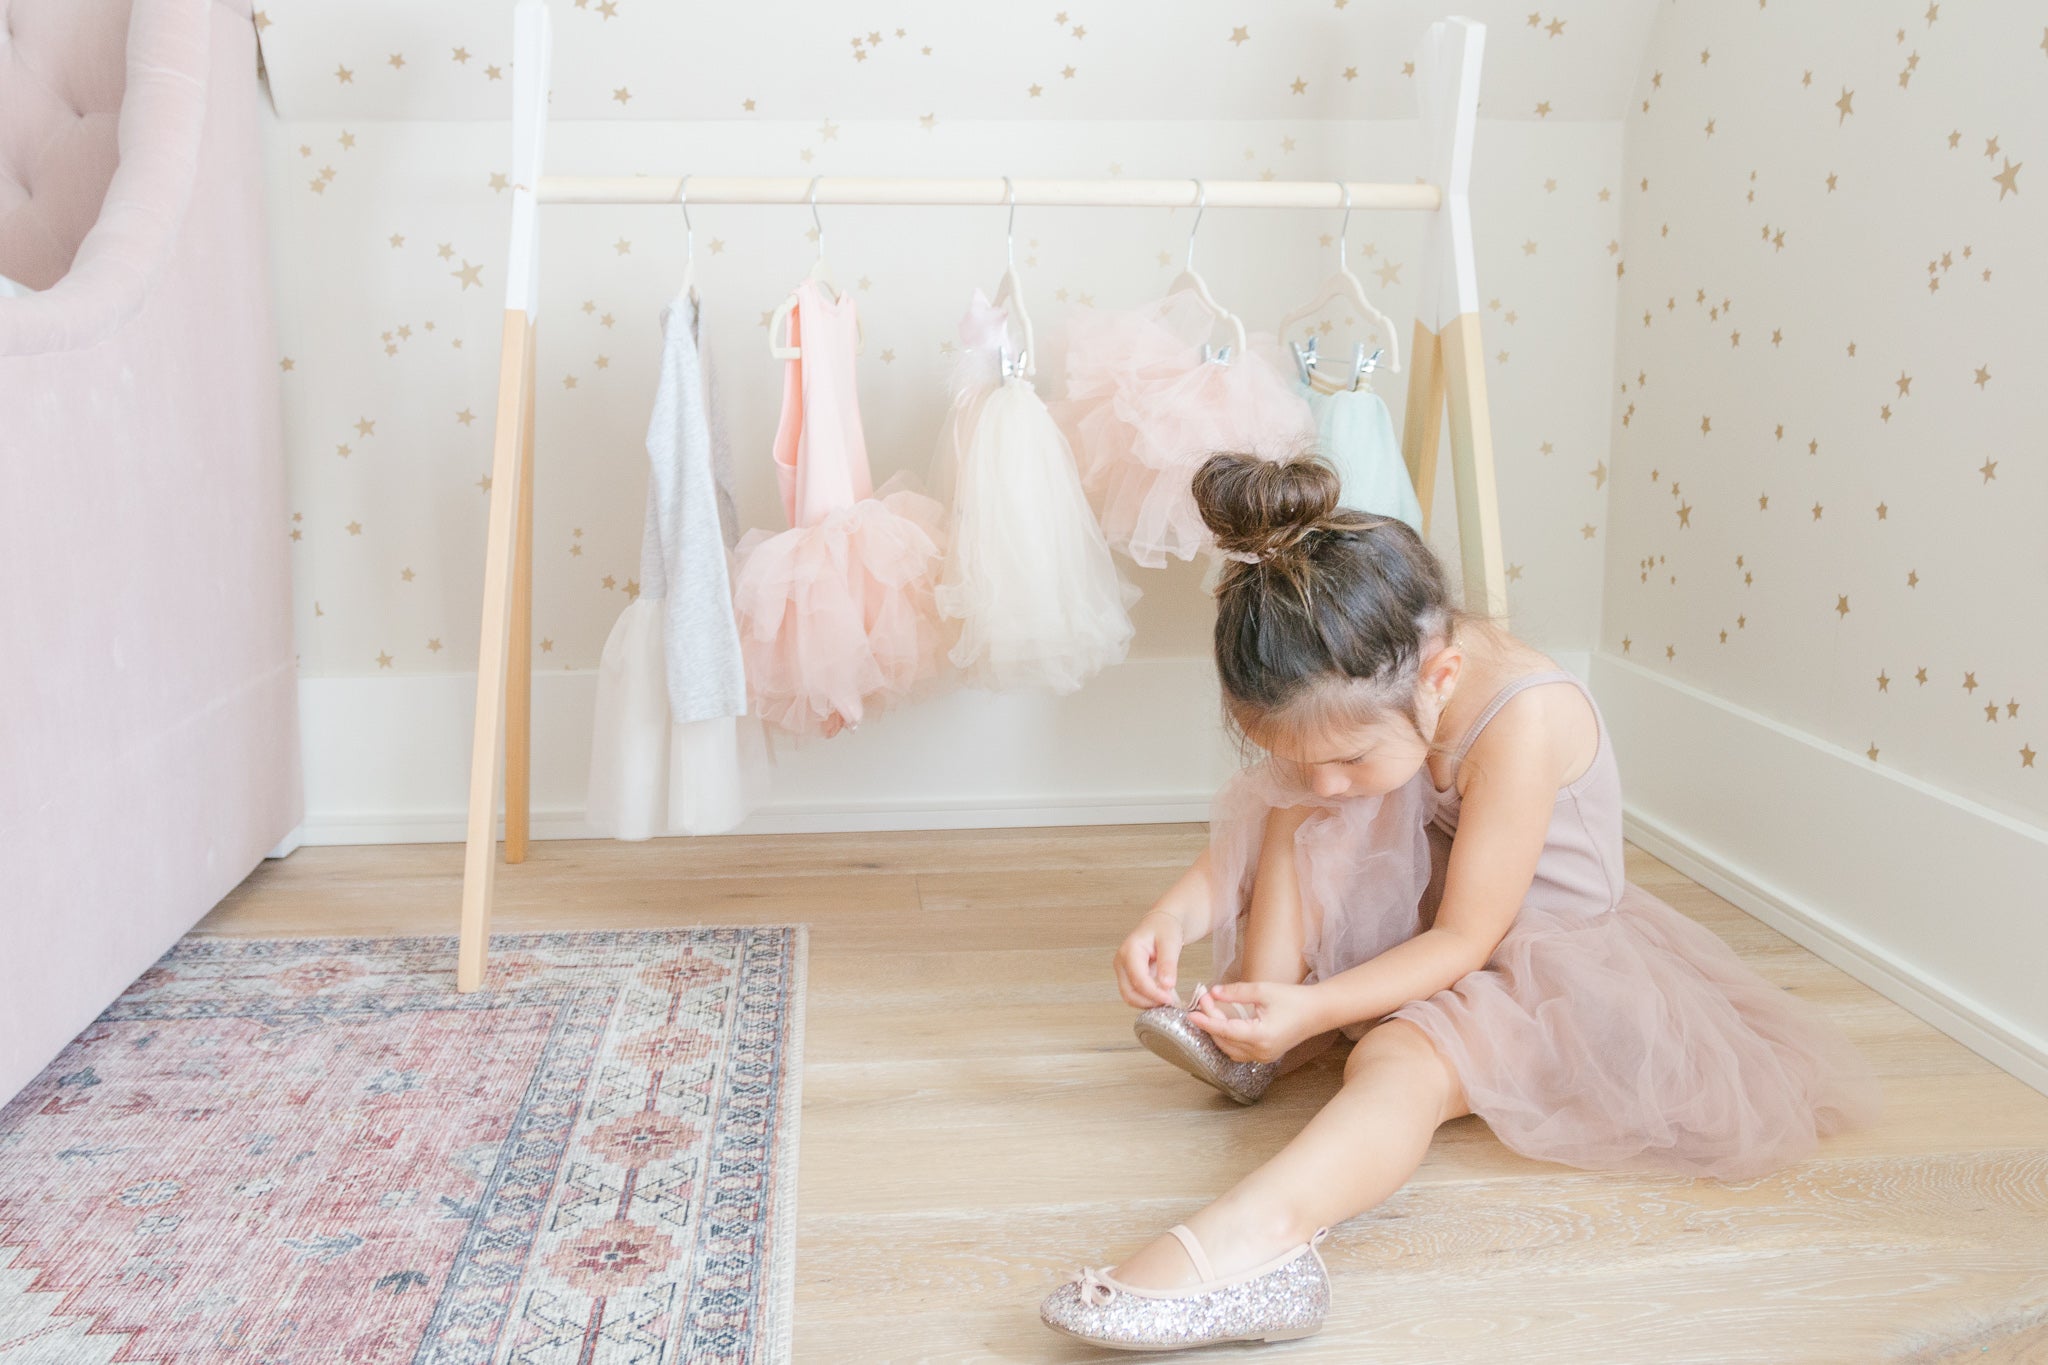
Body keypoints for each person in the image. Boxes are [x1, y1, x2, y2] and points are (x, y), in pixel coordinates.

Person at [1039, 451, 1882, 1351]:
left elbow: (1468, 939)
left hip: (1535, 953)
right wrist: (1174, 916)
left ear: (1438, 680)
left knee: (1402, 1057)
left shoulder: (1524, 717)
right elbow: (1282, 808)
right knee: (1296, 817)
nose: (1327, 778)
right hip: (1430, 913)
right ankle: (1264, 1028)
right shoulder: (1369, 693)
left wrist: (1326, 999)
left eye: (1351, 758)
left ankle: (1262, 1242)